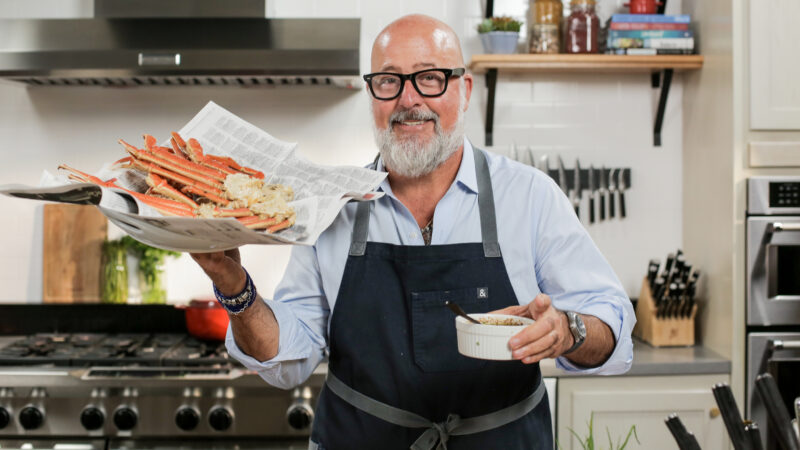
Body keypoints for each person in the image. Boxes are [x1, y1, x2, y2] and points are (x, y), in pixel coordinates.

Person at [191, 14, 634, 450]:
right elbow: (287, 361)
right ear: (372, 94)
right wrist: (235, 290)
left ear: (464, 90)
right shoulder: (332, 206)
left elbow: (610, 323)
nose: (408, 100)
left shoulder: (530, 196)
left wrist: (568, 329)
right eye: (389, 81)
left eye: (430, 78)